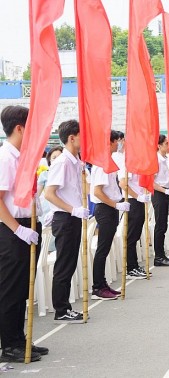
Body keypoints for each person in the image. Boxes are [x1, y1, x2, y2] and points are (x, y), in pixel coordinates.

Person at [0, 105, 48, 362]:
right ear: (19, 128)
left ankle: (20, 339)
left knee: (21, 289)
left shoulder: (22, 156)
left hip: (27, 224)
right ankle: (9, 345)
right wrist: (18, 229)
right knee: (10, 289)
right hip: (12, 228)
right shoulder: (5, 157)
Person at [44, 120, 89, 322]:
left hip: (73, 216)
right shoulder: (62, 162)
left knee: (69, 263)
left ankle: (64, 306)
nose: (84, 139)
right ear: (72, 138)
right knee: (64, 263)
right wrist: (73, 209)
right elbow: (49, 194)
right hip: (65, 217)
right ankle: (61, 308)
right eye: (81, 135)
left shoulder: (75, 161)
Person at [90, 130, 130, 299]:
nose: (118, 144)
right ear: (110, 142)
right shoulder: (101, 164)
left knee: (105, 248)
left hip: (111, 208)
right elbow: (98, 192)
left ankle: (103, 283)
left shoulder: (110, 162)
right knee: (102, 248)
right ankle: (97, 287)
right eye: (117, 141)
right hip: (105, 209)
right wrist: (116, 204)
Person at [118, 158, 152, 280]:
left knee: (136, 235)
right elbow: (122, 183)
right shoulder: (127, 162)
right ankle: (131, 268)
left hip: (139, 200)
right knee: (131, 236)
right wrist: (137, 196)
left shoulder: (138, 162)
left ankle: (134, 265)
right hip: (133, 200)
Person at [152, 135, 169, 266]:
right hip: (159, 193)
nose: (168, 146)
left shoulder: (165, 159)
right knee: (160, 225)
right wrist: (164, 190)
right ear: (159, 145)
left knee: (164, 225)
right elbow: (151, 181)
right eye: (166, 143)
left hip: (165, 191)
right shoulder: (156, 160)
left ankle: (161, 254)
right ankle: (159, 256)